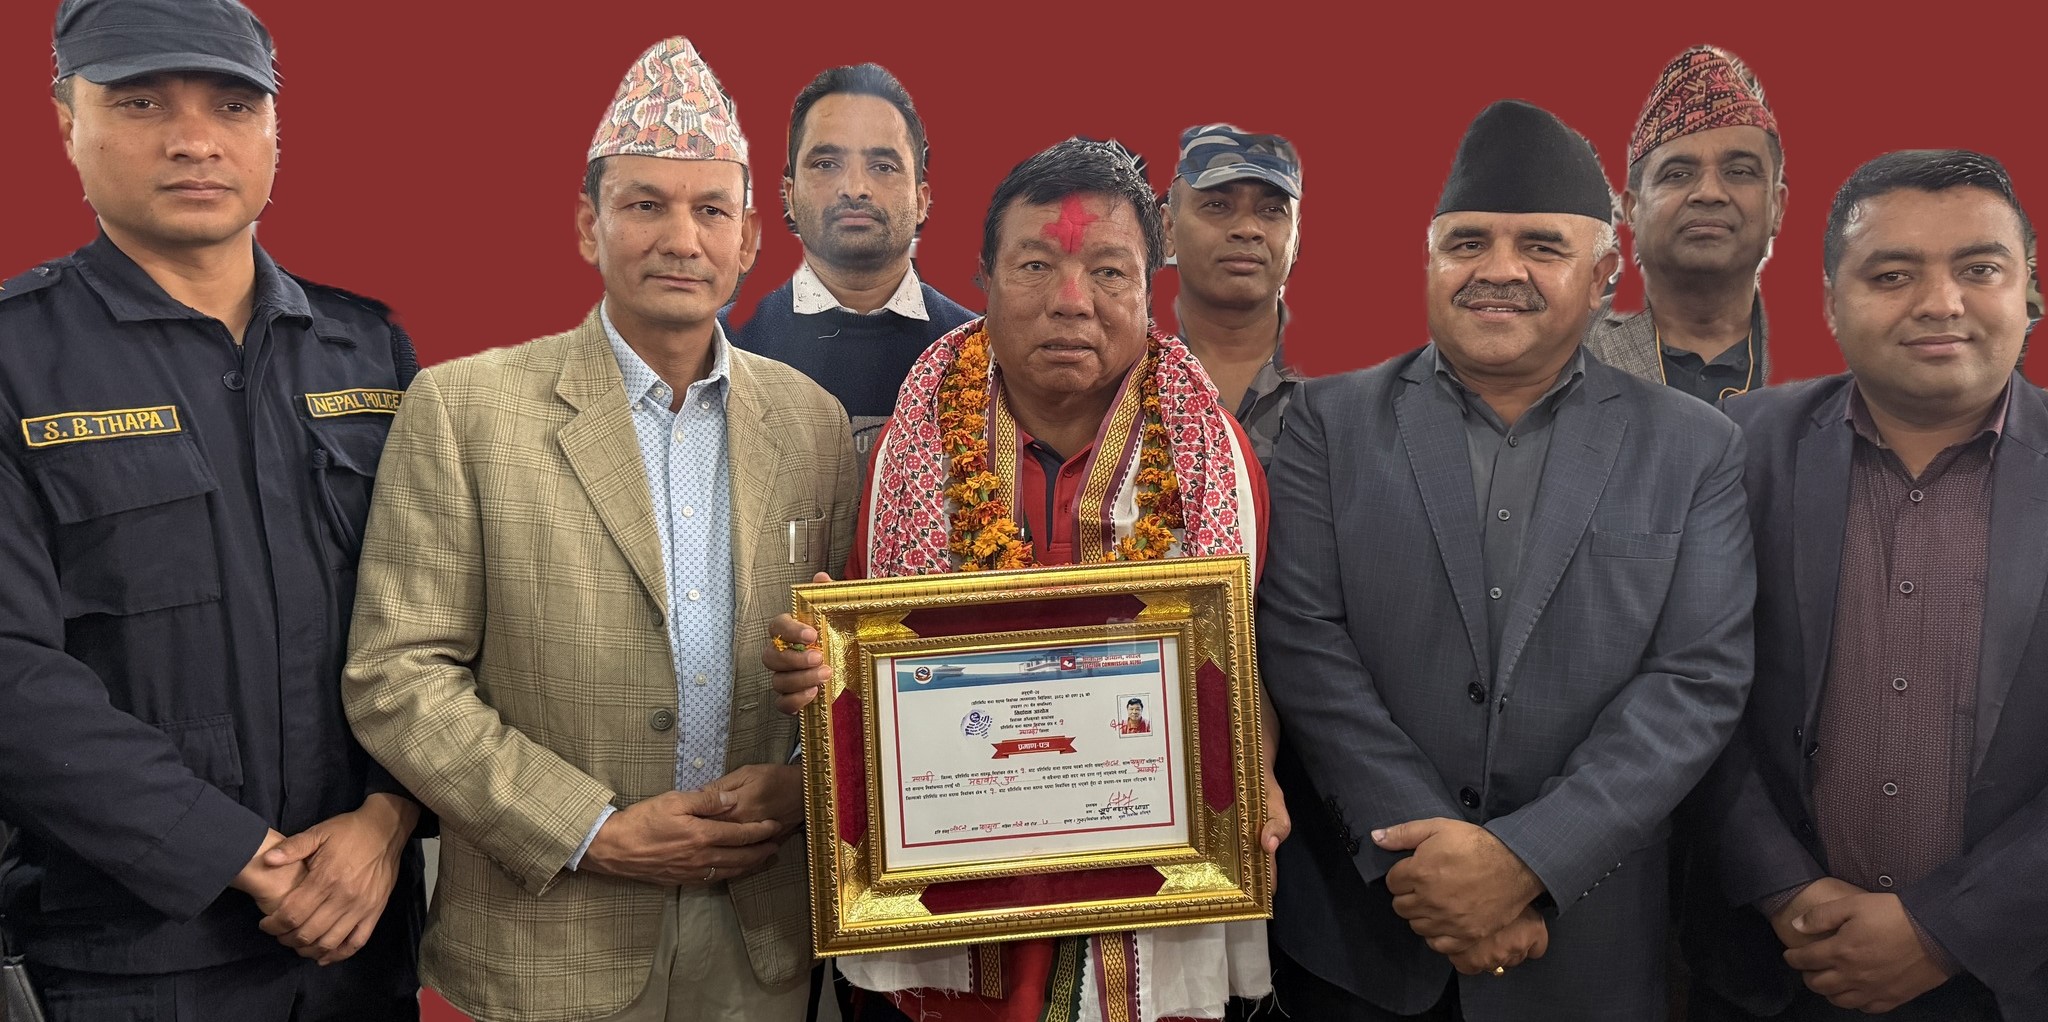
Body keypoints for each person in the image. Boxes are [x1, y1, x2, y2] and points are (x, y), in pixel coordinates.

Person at [340, 37, 857, 1022]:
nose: (681, 239)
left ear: (751, 237)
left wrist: (805, 787)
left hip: (758, 934)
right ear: (589, 225)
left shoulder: (812, 423)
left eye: (711, 210)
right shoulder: (464, 409)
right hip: (550, 937)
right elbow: (397, 674)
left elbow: (841, 659)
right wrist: (591, 829)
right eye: (645, 205)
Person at [764, 137, 1287, 1022]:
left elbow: (1249, 669)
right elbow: (866, 677)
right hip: (946, 891)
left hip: (1147, 894)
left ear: (1149, 289)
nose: (1071, 301)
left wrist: (1257, 764)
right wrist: (815, 676)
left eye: (1109, 271)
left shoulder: (1214, 459)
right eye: (1036, 265)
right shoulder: (910, 448)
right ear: (984, 278)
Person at [1257, 99, 1755, 1021]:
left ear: (1602, 277)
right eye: (1468, 243)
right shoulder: (1329, 422)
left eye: (1540, 247)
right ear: (1430, 262)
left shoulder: (1693, 447)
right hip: (1367, 945)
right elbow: (1302, 640)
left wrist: (1528, 862)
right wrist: (1430, 866)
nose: (1498, 270)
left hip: (1585, 943)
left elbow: (1696, 681)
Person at [0, 0, 428, 1018]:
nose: (194, 139)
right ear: (66, 120)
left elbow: (445, 620)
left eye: (233, 105)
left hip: (362, 946)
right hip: (126, 958)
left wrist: (388, 817)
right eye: (141, 102)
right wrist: (242, 855)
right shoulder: (17, 361)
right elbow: (11, 670)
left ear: (275, 129)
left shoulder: (369, 352)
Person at [1686, 149, 2047, 1022]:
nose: (1940, 302)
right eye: (1892, 274)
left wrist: (1947, 929)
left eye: (1979, 269)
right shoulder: (1733, 450)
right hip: (1777, 966)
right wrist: (1784, 889)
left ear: (2030, 293)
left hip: (2011, 977)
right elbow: (1687, 689)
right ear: (1830, 302)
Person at [726, 63, 975, 459]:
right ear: (789, 196)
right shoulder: (720, 348)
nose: (855, 189)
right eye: (826, 163)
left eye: (883, 166)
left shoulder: (978, 352)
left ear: (921, 200)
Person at [1586, 45, 1786, 402]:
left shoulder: (1843, 349)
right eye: (1678, 174)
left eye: (1739, 172)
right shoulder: (1564, 345)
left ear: (1777, 206)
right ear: (1632, 208)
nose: (1709, 193)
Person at [1163, 123, 1307, 464]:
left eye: (1272, 210)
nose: (1247, 229)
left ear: (1296, 239)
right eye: (1217, 205)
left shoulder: (1343, 385)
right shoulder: (1123, 366)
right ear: (1167, 229)